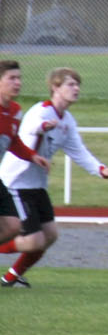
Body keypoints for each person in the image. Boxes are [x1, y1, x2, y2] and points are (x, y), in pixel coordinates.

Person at [0, 67, 108, 287]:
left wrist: (100, 169)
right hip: (17, 183)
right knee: (33, 240)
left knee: (50, 236)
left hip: (37, 185)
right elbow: (28, 130)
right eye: (70, 84)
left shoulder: (68, 121)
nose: (76, 89)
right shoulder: (41, 111)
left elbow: (78, 150)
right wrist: (42, 127)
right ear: (55, 87)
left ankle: (10, 277)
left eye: (77, 84)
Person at [0, 61, 52, 251]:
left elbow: (12, 141)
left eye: (19, 78)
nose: (17, 83)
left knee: (12, 226)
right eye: (11, 78)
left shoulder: (14, 111)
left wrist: (32, 156)